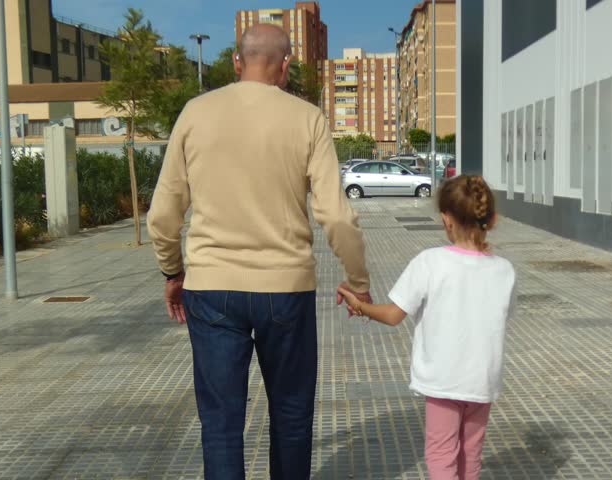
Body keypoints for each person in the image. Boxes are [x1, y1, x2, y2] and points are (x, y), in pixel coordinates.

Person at [147, 24, 372, 480]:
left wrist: (173, 272)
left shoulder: (196, 112)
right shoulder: (307, 118)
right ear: (286, 65)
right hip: (285, 291)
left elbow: (163, 213)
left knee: (222, 423)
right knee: (291, 417)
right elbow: (337, 215)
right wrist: (359, 280)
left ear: (235, 61)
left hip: (210, 291)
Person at [338, 175, 517, 480]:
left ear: (446, 220)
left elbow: (394, 315)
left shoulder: (430, 262)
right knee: (470, 457)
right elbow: (501, 315)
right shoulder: (505, 271)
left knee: (441, 456)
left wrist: (361, 305)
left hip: (443, 381)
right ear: (493, 219)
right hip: (482, 381)